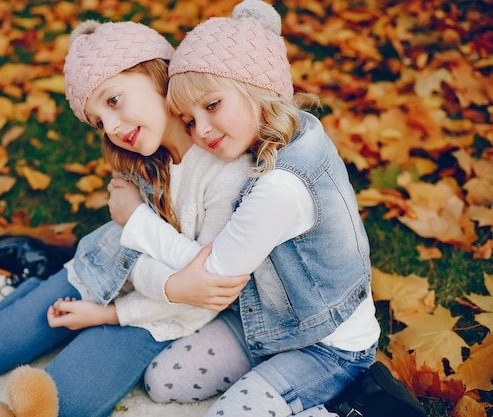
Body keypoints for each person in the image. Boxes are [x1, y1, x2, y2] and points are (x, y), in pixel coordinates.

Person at [105, 1, 381, 415]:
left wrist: (137, 220)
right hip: (269, 318)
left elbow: (212, 274)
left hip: (327, 347)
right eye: (190, 119)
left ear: (259, 86)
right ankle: (271, 372)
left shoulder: (281, 188)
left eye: (212, 105)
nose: (202, 130)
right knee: (163, 381)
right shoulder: (290, 133)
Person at [0, 19, 250, 417]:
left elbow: (205, 291)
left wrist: (108, 315)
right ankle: (46, 269)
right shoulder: (138, 159)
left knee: (67, 407)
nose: (112, 128)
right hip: (103, 268)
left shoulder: (225, 165)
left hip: (155, 312)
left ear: (157, 72)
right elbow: (138, 251)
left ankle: (88, 332)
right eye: (99, 121)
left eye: (113, 101)